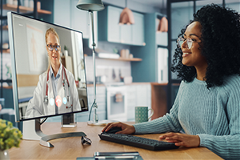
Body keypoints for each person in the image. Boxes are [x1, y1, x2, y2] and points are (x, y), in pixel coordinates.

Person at [103, 4, 240, 160]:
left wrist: (198, 140)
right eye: (184, 38)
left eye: (192, 40)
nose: (183, 45)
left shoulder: (235, 87)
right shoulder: (188, 82)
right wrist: (133, 128)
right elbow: (173, 120)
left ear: (214, 44)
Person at [26, 28, 81, 118]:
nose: (54, 51)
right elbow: (31, 109)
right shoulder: (43, 79)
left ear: (60, 48)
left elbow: (77, 109)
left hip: (66, 128)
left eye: (56, 46)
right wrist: (43, 121)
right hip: (49, 129)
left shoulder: (69, 77)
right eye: (50, 46)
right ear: (47, 49)